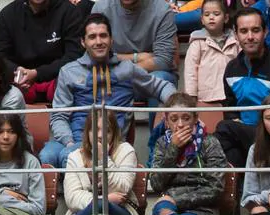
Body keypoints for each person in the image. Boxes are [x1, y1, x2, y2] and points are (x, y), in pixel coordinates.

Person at [45, 13, 177, 168]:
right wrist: (69, 142)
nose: (99, 41)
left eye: (103, 36)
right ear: (83, 42)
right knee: (48, 155)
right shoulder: (69, 72)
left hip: (113, 142)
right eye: (92, 37)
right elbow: (59, 115)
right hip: (75, 139)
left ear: (111, 40)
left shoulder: (127, 69)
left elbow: (162, 86)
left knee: (68, 157)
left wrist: (178, 108)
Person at [214, 8, 270, 163]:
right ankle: (240, 185)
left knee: (223, 129)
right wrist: (234, 121)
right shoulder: (231, 69)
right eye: (243, 31)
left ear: (265, 32)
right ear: (235, 34)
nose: (250, 37)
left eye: (255, 30)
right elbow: (230, 109)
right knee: (230, 150)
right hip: (242, 137)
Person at [151, 92, 230, 215]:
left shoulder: (209, 142)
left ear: (195, 118)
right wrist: (173, 148)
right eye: (174, 119)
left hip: (202, 207)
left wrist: (176, 199)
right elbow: (156, 184)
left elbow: (216, 189)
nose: (180, 124)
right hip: (168, 202)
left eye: (186, 118)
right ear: (166, 121)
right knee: (162, 210)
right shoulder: (162, 143)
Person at [0, 0, 87, 104]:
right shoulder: (8, 14)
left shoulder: (69, 12)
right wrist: (17, 72)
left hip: (60, 78)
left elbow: (74, 55)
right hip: (19, 81)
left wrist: (38, 74)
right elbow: (0, 56)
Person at [67, 107, 141, 215]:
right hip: (83, 211)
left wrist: (103, 159)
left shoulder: (126, 151)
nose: (100, 135)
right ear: (87, 132)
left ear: (114, 133)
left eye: (107, 130)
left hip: (121, 210)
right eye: (95, 129)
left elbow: (122, 189)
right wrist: (103, 200)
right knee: (100, 206)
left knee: (103, 207)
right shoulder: (74, 157)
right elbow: (72, 197)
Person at [93, 0, 179, 84]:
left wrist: (121, 71)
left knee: (157, 79)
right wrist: (136, 57)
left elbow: (163, 61)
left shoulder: (162, 10)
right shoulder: (101, 9)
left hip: (151, 73)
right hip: (111, 74)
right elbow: (94, 55)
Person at [184, 0, 240, 105]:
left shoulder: (235, 41)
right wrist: (191, 96)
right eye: (206, 14)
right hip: (206, 98)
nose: (211, 17)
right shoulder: (198, 42)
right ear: (202, 19)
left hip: (232, 95)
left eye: (216, 14)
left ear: (226, 18)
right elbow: (190, 71)